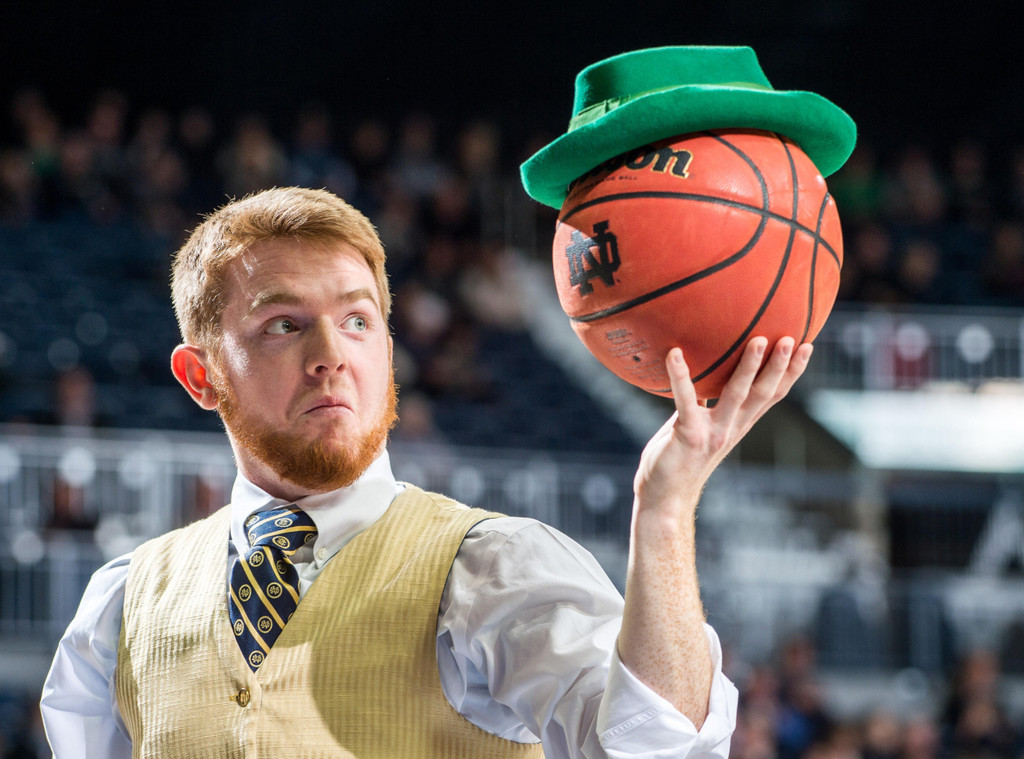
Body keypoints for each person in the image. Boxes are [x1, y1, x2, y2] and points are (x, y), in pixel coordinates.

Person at [40, 44, 850, 758]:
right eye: (284, 324)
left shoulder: (491, 569)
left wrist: (664, 510)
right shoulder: (121, 605)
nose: (332, 356)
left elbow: (653, 747)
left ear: (391, 350)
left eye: (358, 320)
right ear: (200, 375)